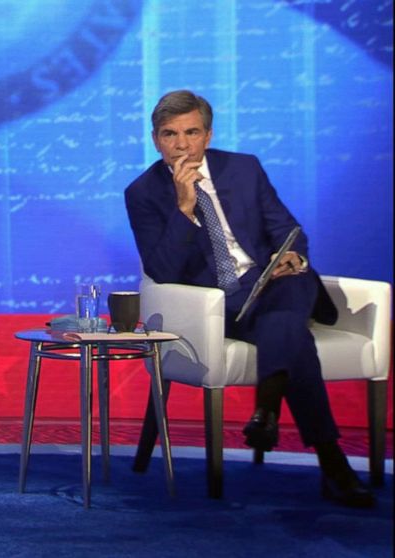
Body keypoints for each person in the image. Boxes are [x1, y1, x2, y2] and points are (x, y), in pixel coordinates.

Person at [124, 90, 375, 508]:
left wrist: (291, 255)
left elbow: (286, 228)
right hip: (213, 308)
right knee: (289, 328)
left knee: (294, 284)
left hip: (271, 285)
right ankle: (327, 459)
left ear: (208, 135)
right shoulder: (143, 193)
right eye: (170, 134)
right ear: (155, 140)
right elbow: (164, 272)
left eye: (191, 132)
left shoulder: (243, 168)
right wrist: (184, 209)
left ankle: (270, 415)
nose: (181, 144)